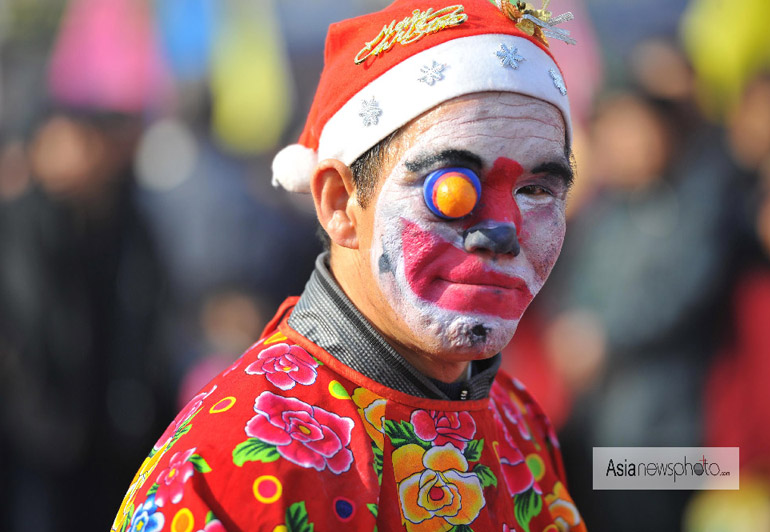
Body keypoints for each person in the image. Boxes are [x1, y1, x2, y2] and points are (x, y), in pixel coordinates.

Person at [112, 1, 586, 530]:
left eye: (537, 190)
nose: (502, 233)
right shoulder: (233, 463)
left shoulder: (518, 421)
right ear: (340, 204)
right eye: (452, 189)